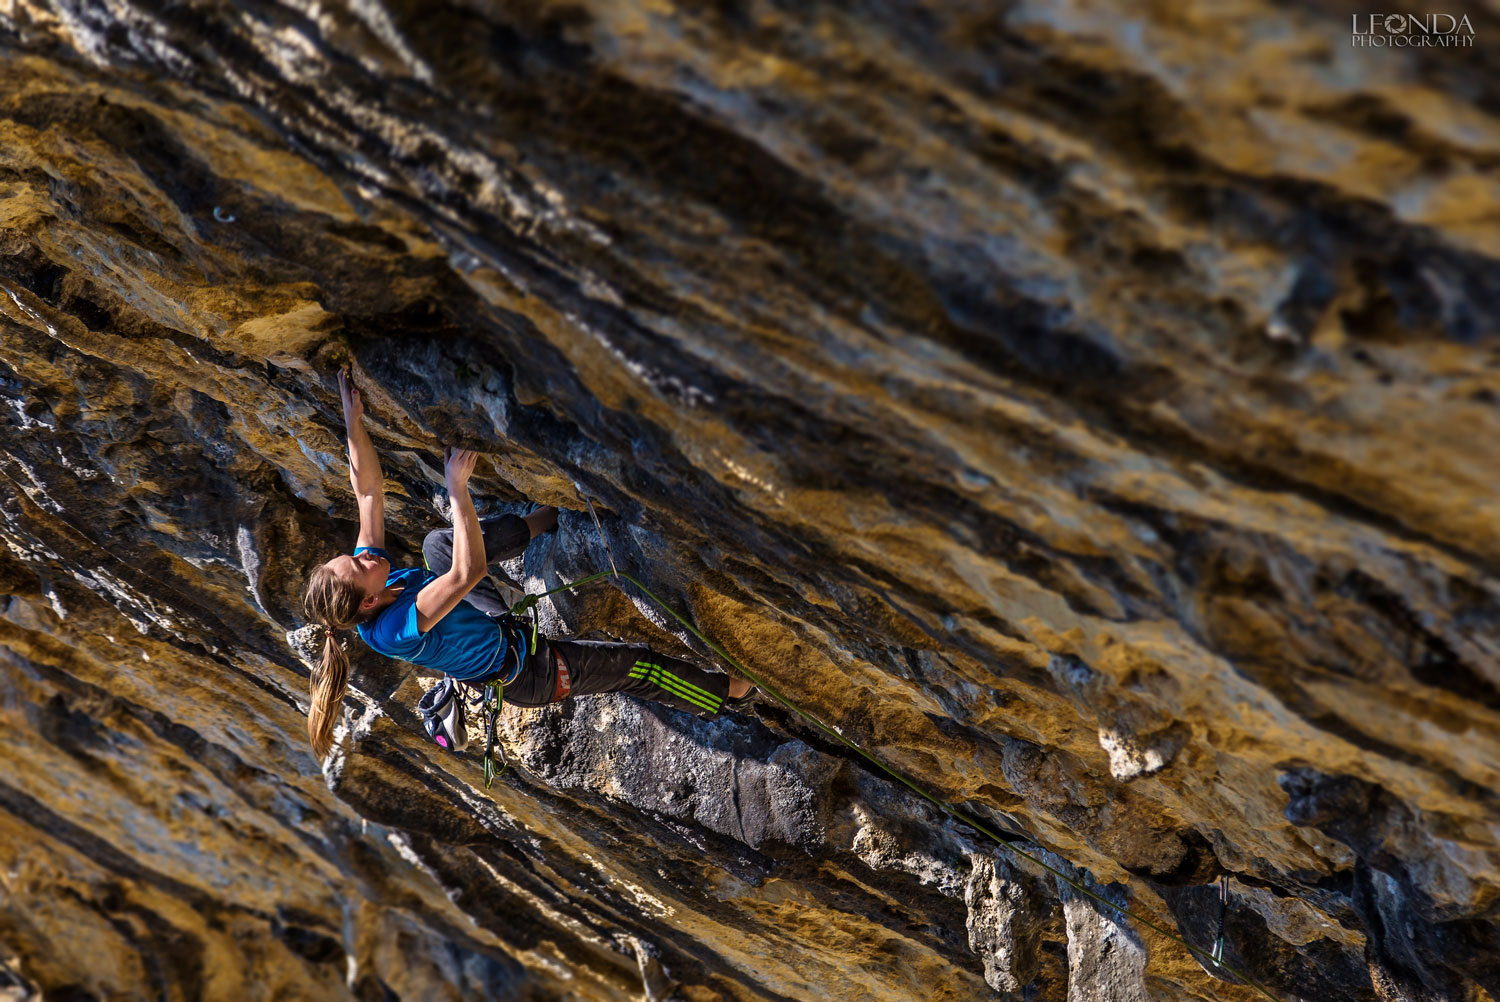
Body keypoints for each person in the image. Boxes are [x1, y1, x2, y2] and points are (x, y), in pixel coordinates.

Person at [300, 366, 753, 757]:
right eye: (358, 566)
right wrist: (458, 488)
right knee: (637, 667)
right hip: (527, 671)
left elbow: (367, 493)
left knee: (438, 545)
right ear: (368, 601)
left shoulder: (371, 584)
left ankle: (544, 519)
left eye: (351, 558)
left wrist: (352, 420)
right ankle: (733, 692)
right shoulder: (392, 627)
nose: (363, 554)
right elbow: (467, 573)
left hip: (496, 627)